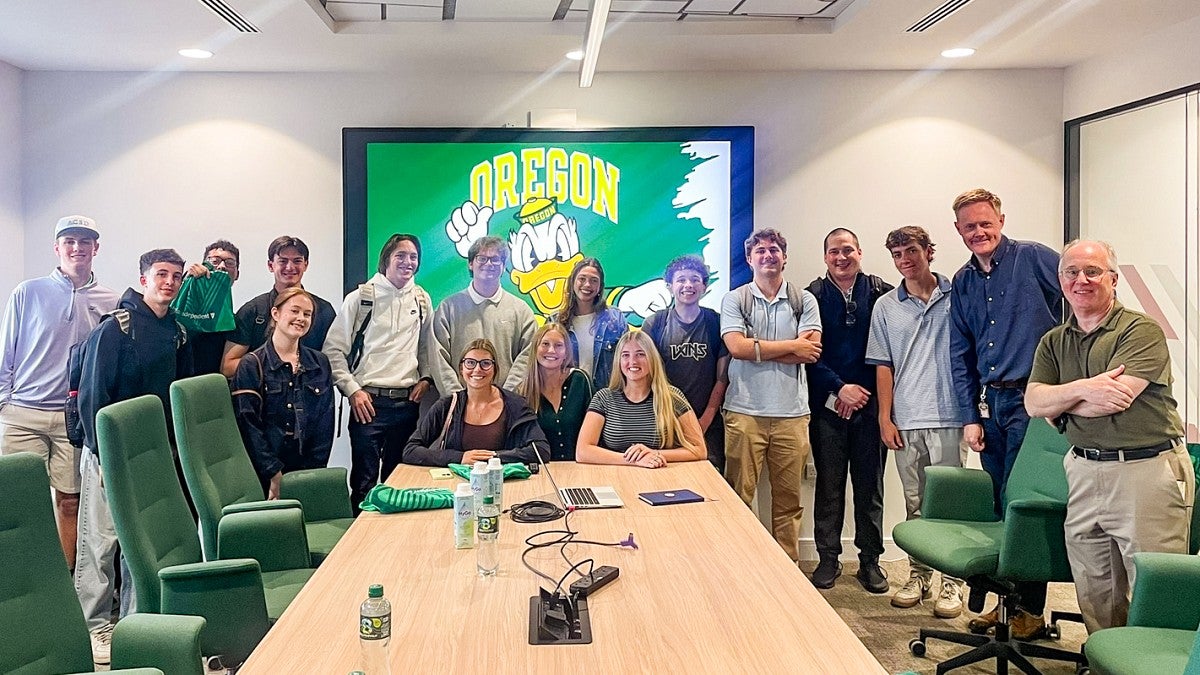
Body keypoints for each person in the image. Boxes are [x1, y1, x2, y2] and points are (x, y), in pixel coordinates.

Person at [1025, 239, 1192, 634]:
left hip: (1145, 471)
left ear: (1113, 279)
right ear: (1061, 280)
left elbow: (1116, 399)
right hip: (1083, 470)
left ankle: (1152, 660)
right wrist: (1085, 389)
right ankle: (1105, 658)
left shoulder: (1141, 330)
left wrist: (1059, 401)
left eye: (1093, 271)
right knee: (1094, 586)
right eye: (1072, 272)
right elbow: (1033, 402)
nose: (1081, 280)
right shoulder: (1054, 341)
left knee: (1155, 587)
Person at [949, 188, 1062, 636]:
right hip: (990, 404)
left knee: (1024, 505)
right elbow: (961, 353)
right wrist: (969, 416)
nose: (979, 232)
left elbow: (1084, 299)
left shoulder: (1033, 258)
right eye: (969, 226)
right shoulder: (963, 281)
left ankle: (1029, 612)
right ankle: (1005, 607)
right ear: (958, 231)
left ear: (1000, 220)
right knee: (999, 502)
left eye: (985, 223)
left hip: (1034, 402)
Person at [75, 248, 192, 665]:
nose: (169, 282)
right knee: (100, 543)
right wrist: (100, 455)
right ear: (143, 279)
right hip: (106, 452)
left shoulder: (177, 332)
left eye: (176, 276)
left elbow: (178, 396)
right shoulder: (115, 328)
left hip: (152, 454)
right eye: (161, 274)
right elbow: (91, 396)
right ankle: (93, 626)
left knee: (140, 544)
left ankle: (133, 626)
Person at [0, 215, 119, 580]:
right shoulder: (27, 292)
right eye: (70, 241)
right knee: (19, 501)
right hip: (23, 413)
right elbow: (7, 351)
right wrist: (5, 402)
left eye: (85, 241)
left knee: (70, 502)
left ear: (96, 248)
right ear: (57, 248)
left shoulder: (111, 301)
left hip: (72, 420)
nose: (77, 248)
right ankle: (21, 578)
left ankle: (63, 581)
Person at [866, 226, 969, 618]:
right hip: (907, 418)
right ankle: (919, 575)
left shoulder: (957, 295)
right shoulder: (885, 307)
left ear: (929, 251)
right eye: (896, 254)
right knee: (916, 504)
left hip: (950, 416)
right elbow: (883, 366)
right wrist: (884, 417)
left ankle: (952, 582)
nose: (904, 260)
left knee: (949, 504)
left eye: (911, 250)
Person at [720, 228, 822, 564]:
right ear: (749, 259)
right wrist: (792, 346)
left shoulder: (804, 300)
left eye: (774, 249)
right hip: (743, 412)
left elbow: (810, 352)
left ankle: (787, 569)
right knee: (738, 498)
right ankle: (741, 565)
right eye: (760, 250)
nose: (768, 255)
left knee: (789, 502)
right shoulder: (735, 299)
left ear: (784, 257)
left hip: (793, 415)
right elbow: (737, 348)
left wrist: (758, 349)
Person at [805, 229, 893, 593]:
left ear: (859, 252)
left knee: (870, 487)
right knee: (828, 486)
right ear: (825, 257)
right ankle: (828, 558)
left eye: (847, 250)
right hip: (827, 405)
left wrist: (861, 394)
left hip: (870, 406)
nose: (841, 257)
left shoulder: (882, 293)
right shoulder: (811, 297)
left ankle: (870, 561)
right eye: (833, 252)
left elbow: (890, 351)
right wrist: (839, 388)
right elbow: (808, 355)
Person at [323, 234, 434, 508]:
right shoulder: (361, 298)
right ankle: (360, 535)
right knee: (365, 484)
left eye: (413, 257)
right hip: (368, 404)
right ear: (386, 259)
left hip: (407, 404)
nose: (408, 262)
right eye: (400, 255)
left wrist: (426, 378)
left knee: (401, 483)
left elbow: (427, 347)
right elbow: (333, 350)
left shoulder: (421, 299)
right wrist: (352, 391)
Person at [232, 287, 335, 499]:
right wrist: (273, 472)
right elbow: (248, 425)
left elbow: (325, 422)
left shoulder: (320, 362)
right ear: (276, 314)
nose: (301, 318)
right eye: (294, 311)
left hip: (307, 470)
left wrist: (313, 472)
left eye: (307, 314)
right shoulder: (252, 364)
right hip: (263, 473)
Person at [641, 254, 729, 471]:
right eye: (681, 280)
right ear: (670, 286)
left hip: (707, 422)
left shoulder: (716, 323)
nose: (688, 285)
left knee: (710, 478)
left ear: (704, 286)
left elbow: (722, 378)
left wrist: (705, 420)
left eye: (695, 279)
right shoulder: (655, 323)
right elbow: (646, 377)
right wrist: (667, 420)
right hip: (664, 420)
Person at [403, 339, 545, 467]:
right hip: (455, 484)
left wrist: (494, 458)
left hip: (504, 482)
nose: (477, 369)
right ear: (461, 369)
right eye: (470, 363)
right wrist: (459, 458)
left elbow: (541, 450)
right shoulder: (447, 406)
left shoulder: (516, 405)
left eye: (485, 363)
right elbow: (411, 451)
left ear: (495, 369)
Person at [576, 330, 705, 467]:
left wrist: (654, 454)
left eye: (640, 354)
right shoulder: (603, 398)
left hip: (660, 473)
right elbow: (582, 451)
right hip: (614, 474)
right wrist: (634, 460)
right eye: (625, 355)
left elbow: (700, 450)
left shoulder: (672, 397)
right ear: (618, 361)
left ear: (652, 358)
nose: (633, 361)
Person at [431, 236, 537, 395]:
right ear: (470, 263)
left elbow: (527, 357)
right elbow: (438, 360)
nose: (488, 264)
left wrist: (505, 398)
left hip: (506, 403)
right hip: (459, 403)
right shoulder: (448, 308)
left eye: (495, 259)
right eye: (481, 258)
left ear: (503, 266)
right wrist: (458, 399)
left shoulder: (521, 311)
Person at [222, 236, 336, 377]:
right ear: (271, 265)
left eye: (297, 261)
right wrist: (275, 363)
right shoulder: (253, 310)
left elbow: (333, 361)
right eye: (283, 261)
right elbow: (228, 367)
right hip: (262, 389)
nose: (290, 267)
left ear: (306, 265)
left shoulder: (324, 311)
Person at [520, 322, 591, 461]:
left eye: (558, 345)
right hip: (542, 469)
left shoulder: (580, 381)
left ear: (566, 353)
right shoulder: (524, 391)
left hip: (581, 467)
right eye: (545, 344)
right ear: (535, 349)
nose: (551, 350)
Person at [556, 257, 628, 388]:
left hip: (608, 395)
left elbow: (627, 359)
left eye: (594, 280)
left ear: (600, 286)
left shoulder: (616, 319)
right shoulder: (556, 322)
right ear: (572, 282)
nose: (587, 284)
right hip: (568, 395)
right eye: (582, 279)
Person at [181, 240, 240, 375]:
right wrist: (185, 282)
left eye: (230, 263)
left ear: (237, 274)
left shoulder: (237, 321)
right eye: (214, 261)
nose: (222, 267)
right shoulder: (183, 307)